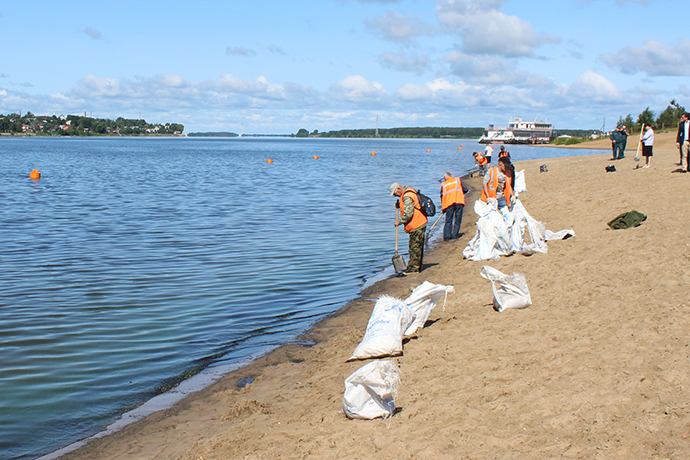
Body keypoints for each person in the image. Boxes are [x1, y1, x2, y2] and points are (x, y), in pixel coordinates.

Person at [390, 182, 428, 273]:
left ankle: (414, 269)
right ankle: (417, 266)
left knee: (414, 248)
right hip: (418, 223)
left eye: (395, 193)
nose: (395, 196)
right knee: (417, 247)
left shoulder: (407, 196)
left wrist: (399, 222)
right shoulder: (407, 193)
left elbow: (408, 214)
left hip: (417, 224)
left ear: (398, 189)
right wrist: (400, 205)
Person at [439, 172, 468, 241]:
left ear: (445, 178)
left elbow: (441, 196)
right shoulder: (458, 180)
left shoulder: (444, 184)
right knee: (457, 219)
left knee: (448, 220)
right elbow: (466, 189)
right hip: (459, 200)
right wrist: (461, 193)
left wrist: (443, 208)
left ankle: (447, 236)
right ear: (451, 176)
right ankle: (455, 235)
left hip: (449, 203)